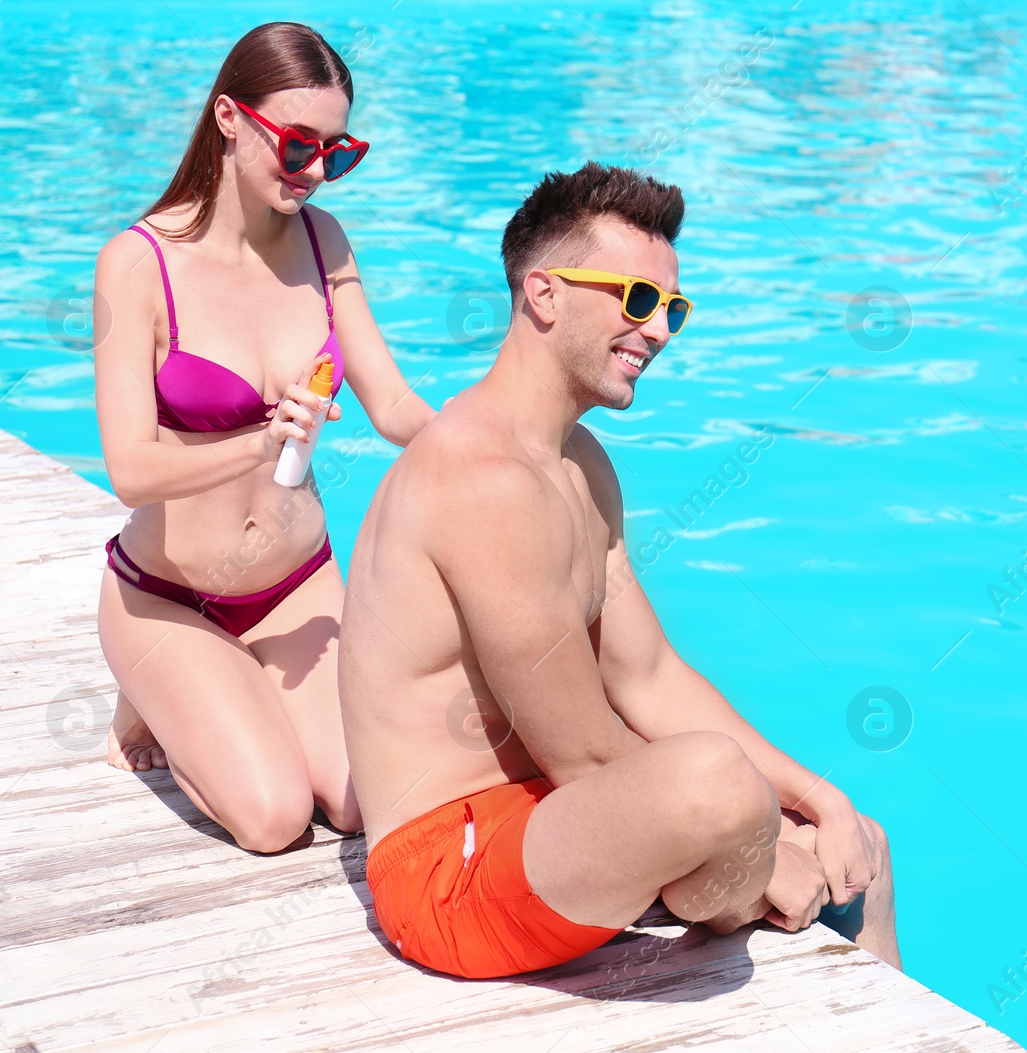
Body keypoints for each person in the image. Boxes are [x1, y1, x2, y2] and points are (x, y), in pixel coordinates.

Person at [339, 161, 899, 978]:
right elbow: (586, 756)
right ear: (544, 294)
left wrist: (820, 799)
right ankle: (746, 886)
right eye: (637, 299)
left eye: (673, 306)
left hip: (554, 827)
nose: (660, 328)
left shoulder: (579, 463)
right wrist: (759, 846)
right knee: (720, 787)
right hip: (449, 874)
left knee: (862, 843)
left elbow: (650, 675)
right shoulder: (481, 479)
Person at [92, 23, 433, 854]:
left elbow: (391, 404)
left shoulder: (324, 243)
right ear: (229, 118)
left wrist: (510, 437)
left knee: (360, 801)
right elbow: (132, 470)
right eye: (297, 146)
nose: (315, 172)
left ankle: (222, 692)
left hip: (296, 588)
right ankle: (158, 683)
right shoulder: (138, 265)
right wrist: (262, 440)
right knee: (276, 820)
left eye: (337, 152)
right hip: (168, 594)